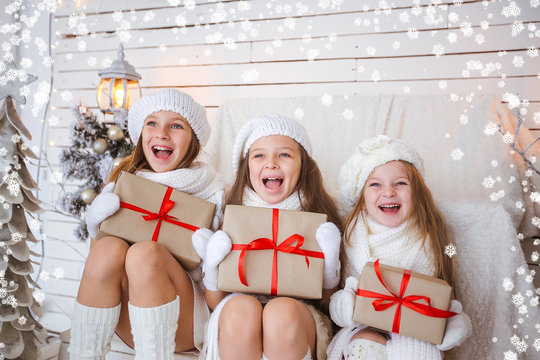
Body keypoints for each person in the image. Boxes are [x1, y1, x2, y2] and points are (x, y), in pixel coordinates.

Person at [68, 89, 225, 359]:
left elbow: (220, 283)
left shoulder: (212, 190)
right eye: (152, 123)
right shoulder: (125, 179)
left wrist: (211, 256)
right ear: (142, 136)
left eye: (176, 126)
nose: (162, 133)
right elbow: (99, 267)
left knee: (145, 253)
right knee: (108, 248)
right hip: (123, 315)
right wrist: (96, 229)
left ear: (194, 141)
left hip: (181, 319)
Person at [198, 114, 343, 360]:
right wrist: (211, 270)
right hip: (237, 315)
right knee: (240, 308)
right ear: (247, 168)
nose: (272, 163)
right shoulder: (230, 216)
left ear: (303, 165)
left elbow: (328, 308)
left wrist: (329, 270)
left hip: (298, 320)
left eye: (284, 154)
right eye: (259, 155)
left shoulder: (318, 219)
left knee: (281, 311)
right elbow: (213, 302)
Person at [326, 135, 472, 360]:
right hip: (364, 327)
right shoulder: (353, 236)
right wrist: (345, 307)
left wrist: (452, 321)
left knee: (419, 350)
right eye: (376, 184)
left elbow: (438, 295)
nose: (389, 192)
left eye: (400, 183)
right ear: (362, 200)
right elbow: (339, 294)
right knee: (366, 342)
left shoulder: (428, 236)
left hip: (415, 328)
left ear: (417, 193)